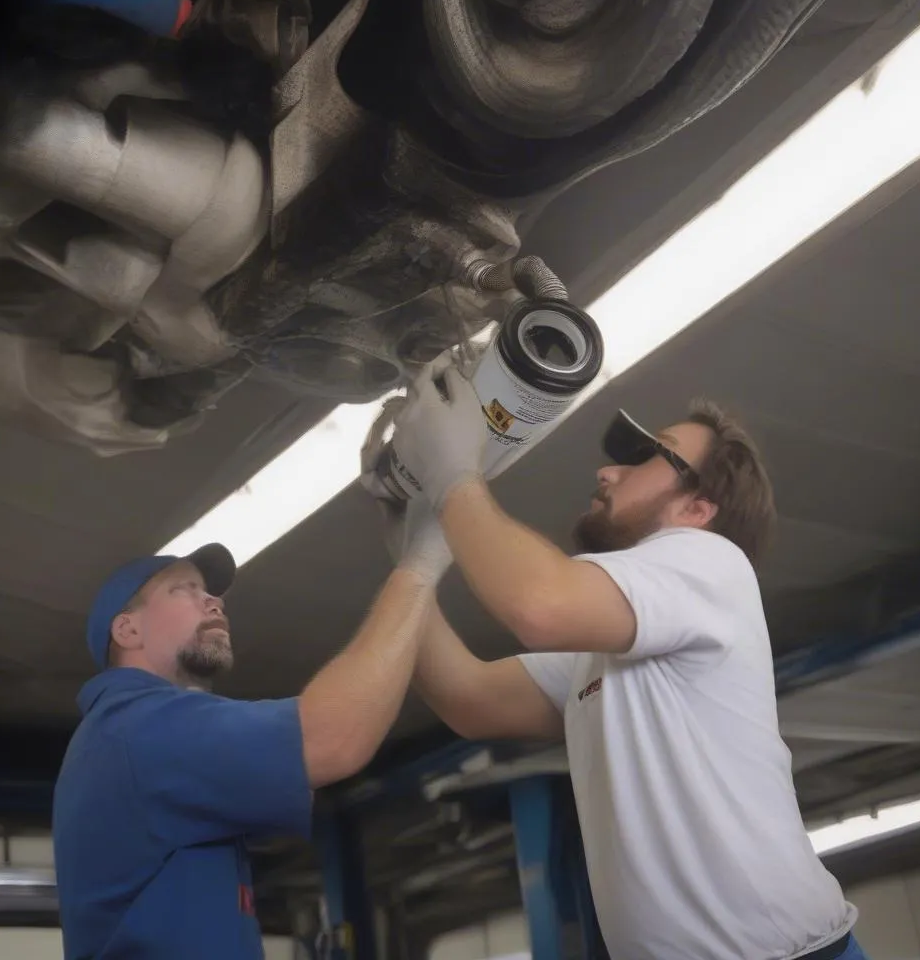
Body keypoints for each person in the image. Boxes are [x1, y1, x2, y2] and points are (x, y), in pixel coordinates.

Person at [360, 356, 867, 960]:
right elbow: (469, 699)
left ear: (698, 510)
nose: (607, 470)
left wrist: (453, 476)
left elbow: (537, 603)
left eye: (650, 456)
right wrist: (412, 557)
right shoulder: (609, 650)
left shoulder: (710, 561)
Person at [52, 516, 450, 959]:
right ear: (128, 630)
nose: (213, 602)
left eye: (212, 592)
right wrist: (421, 564)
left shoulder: (119, 735)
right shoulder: (141, 727)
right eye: (183, 589)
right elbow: (334, 737)